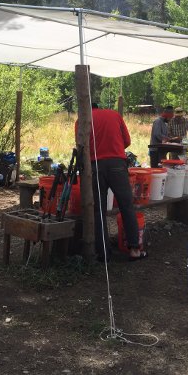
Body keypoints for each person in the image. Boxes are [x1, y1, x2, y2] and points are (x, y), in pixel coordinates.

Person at [76, 103, 146, 262]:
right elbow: (127, 141)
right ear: (99, 107)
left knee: (98, 210)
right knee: (126, 206)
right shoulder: (114, 115)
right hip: (117, 164)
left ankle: (104, 253)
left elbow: (81, 147)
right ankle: (135, 249)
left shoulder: (81, 120)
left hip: (94, 167)